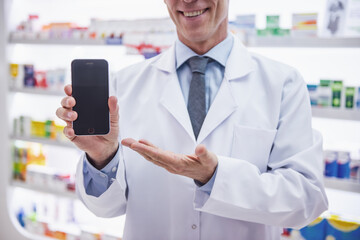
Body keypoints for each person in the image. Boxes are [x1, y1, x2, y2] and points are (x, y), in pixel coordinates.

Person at [56, 0, 328, 239]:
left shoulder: (283, 83)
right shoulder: (125, 84)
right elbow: (106, 207)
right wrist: (102, 160)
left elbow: (306, 198)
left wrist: (214, 177)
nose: (188, 0)